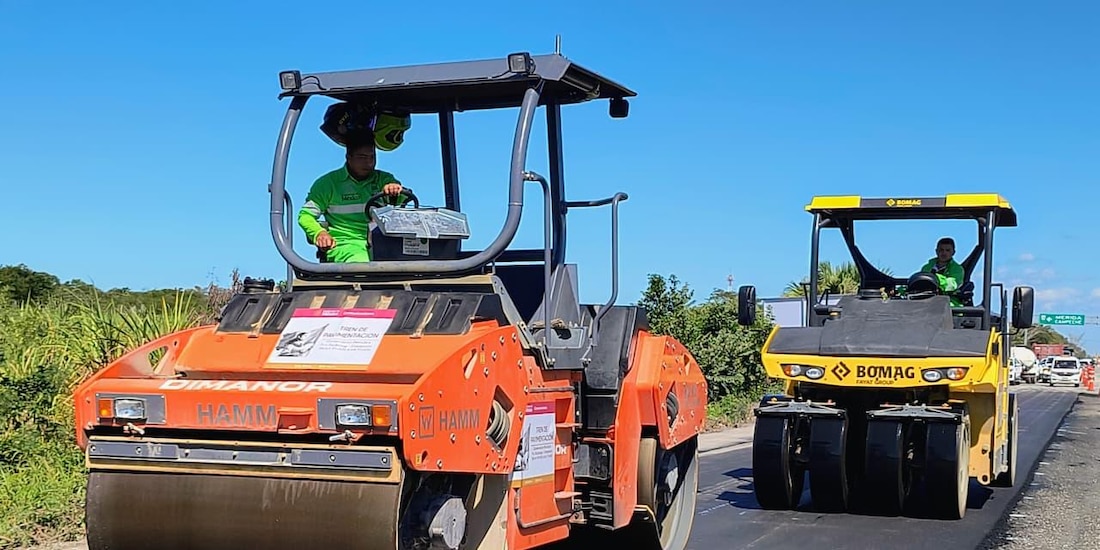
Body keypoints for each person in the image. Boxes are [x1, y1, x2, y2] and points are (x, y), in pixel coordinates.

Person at [297, 134, 405, 262]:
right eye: (362, 157)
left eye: (372, 157)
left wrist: (395, 190)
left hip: (384, 242)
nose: (369, 162)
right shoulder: (328, 184)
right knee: (363, 263)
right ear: (348, 157)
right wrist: (319, 233)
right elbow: (305, 216)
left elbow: (404, 203)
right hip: (346, 244)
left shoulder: (384, 179)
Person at [921, 237, 965, 305]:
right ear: (936, 251)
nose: (944, 253)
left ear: (953, 252)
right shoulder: (927, 267)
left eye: (947, 250)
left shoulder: (957, 269)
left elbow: (952, 284)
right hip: (926, 300)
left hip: (949, 302)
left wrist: (935, 279)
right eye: (941, 250)